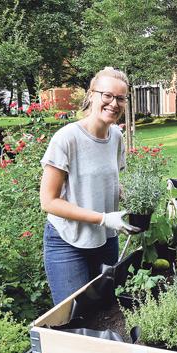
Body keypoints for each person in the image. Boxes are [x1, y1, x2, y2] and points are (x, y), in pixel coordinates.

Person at [39, 67, 139, 305]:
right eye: (107, 95)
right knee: (72, 316)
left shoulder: (116, 136)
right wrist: (103, 218)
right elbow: (49, 201)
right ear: (92, 95)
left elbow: (108, 182)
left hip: (106, 240)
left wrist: (138, 199)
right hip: (68, 242)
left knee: (105, 312)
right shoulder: (67, 139)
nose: (114, 103)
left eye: (120, 98)